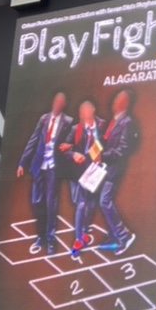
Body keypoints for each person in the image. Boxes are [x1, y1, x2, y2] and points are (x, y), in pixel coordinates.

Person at [17, 91, 73, 255]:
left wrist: (69, 146)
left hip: (54, 168)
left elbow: (71, 141)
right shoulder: (44, 119)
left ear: (63, 105)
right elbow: (33, 140)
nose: (57, 104)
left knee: (51, 204)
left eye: (60, 102)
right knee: (36, 202)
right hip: (39, 166)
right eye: (55, 101)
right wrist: (22, 163)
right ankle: (41, 235)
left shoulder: (68, 122)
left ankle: (50, 239)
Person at [60, 99, 105, 256]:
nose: (83, 113)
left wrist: (102, 155)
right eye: (81, 111)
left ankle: (84, 229)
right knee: (81, 204)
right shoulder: (76, 129)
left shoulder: (102, 126)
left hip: (95, 171)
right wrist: (73, 154)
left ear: (93, 110)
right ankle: (78, 238)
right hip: (78, 172)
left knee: (91, 204)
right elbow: (63, 149)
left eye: (86, 110)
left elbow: (108, 143)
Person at [98, 87, 138, 256]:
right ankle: (114, 234)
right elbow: (105, 142)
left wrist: (102, 156)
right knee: (103, 201)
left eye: (119, 99)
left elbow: (122, 149)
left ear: (126, 103)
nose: (114, 101)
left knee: (104, 201)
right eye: (115, 99)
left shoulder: (127, 122)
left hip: (114, 168)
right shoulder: (113, 120)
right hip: (104, 167)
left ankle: (124, 235)